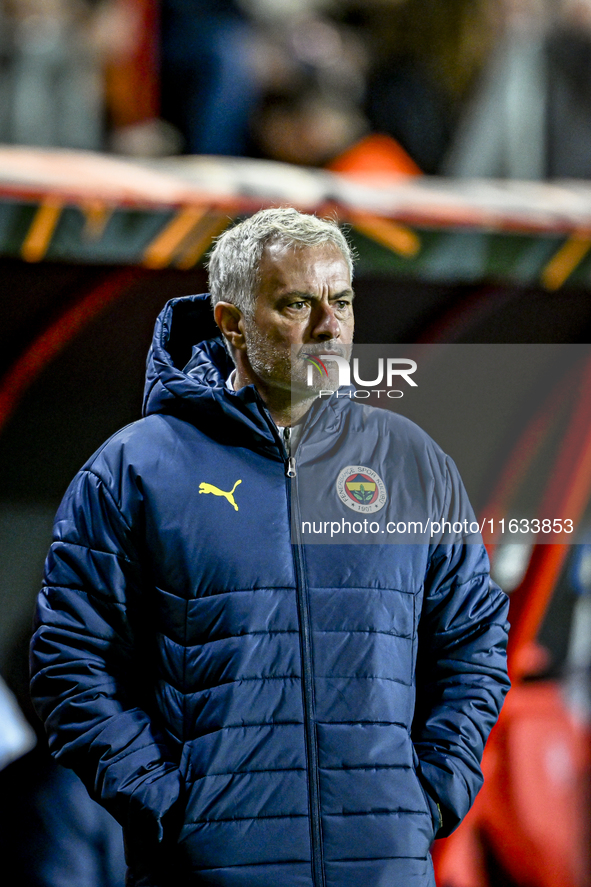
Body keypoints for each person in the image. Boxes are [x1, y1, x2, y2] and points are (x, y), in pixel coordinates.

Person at [30, 207, 510, 887]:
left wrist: (431, 792)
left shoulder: (411, 462)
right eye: (297, 303)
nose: (329, 325)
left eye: (340, 300)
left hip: (382, 867)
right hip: (207, 869)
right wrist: (169, 807)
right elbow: (68, 662)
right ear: (231, 324)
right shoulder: (134, 470)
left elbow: (475, 641)